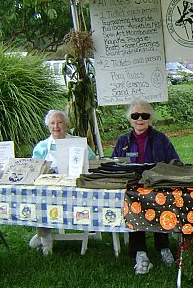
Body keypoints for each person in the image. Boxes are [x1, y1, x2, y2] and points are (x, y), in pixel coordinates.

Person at [112, 98, 180, 274]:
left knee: (161, 202)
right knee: (132, 205)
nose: (139, 119)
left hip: (157, 184)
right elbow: (114, 164)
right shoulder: (122, 141)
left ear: (150, 118)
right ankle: (139, 252)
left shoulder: (161, 139)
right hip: (132, 187)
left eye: (144, 115)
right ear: (130, 119)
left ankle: (163, 247)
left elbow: (175, 161)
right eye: (135, 115)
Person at [29, 109, 97, 255]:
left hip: (74, 185)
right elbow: (34, 167)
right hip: (50, 187)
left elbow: (93, 161)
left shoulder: (78, 142)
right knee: (40, 201)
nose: (56, 126)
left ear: (66, 125)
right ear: (48, 126)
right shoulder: (42, 146)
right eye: (52, 123)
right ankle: (45, 238)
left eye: (60, 122)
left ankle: (45, 234)